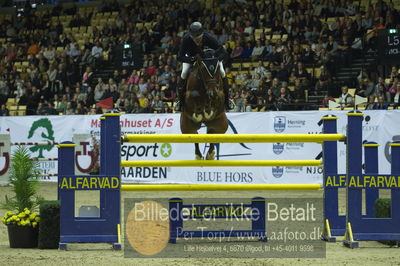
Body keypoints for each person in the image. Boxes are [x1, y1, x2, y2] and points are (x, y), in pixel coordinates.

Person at [175, 21, 232, 111]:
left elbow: (223, 51)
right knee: (184, 73)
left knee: (222, 71)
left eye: (198, 38)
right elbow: (179, 57)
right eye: (194, 38)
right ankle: (180, 101)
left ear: (202, 34)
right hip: (191, 57)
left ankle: (227, 100)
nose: (196, 40)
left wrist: (217, 59)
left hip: (209, 58)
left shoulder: (208, 37)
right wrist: (191, 60)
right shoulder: (186, 39)